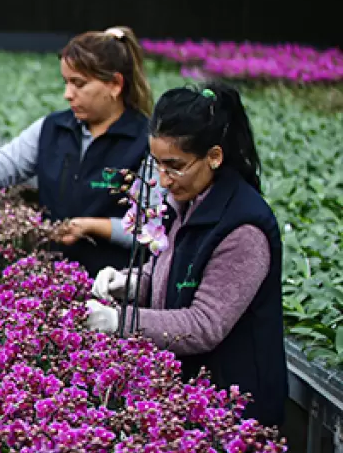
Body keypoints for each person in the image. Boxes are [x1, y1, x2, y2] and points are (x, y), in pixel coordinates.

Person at [85, 82, 287, 427]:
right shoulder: (185, 202)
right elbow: (166, 275)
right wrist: (128, 284)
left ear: (214, 156)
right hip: (192, 395)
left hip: (235, 413)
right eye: (157, 165)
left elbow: (205, 324)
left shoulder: (243, 229)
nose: (163, 180)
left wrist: (121, 322)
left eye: (175, 166)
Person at [0, 26, 154, 275]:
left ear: (114, 84)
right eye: (66, 82)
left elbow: (155, 231)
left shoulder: (146, 142)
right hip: (50, 278)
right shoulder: (54, 128)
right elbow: (0, 166)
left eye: (78, 84)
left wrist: (94, 226)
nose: (67, 94)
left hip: (113, 285)